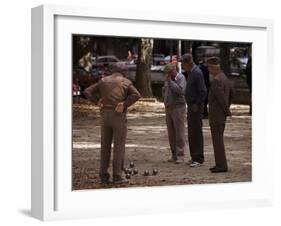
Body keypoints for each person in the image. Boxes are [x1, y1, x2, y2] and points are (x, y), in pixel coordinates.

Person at [83, 62, 141, 184]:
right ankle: (117, 176)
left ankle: (103, 175)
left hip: (104, 114)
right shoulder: (125, 82)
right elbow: (137, 95)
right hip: (118, 115)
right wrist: (124, 104)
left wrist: (96, 101)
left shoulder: (103, 81)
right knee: (118, 146)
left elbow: (87, 91)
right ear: (123, 71)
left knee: (105, 146)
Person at [207, 57, 233, 173]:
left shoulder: (216, 80)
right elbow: (232, 93)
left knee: (217, 141)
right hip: (220, 115)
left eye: (209, 69)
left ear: (213, 68)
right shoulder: (224, 78)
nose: (209, 72)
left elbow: (221, 99)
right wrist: (227, 107)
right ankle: (219, 164)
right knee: (218, 140)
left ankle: (221, 165)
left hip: (217, 115)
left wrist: (226, 111)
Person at [180, 53, 207, 167]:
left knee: (196, 131)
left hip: (196, 107)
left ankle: (198, 158)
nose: (182, 66)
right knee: (191, 132)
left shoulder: (197, 73)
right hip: (191, 106)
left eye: (183, 64)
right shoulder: (191, 72)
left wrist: (196, 104)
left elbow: (203, 91)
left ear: (188, 63)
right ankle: (194, 156)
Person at [162, 63, 187, 164]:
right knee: (171, 132)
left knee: (179, 132)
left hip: (178, 107)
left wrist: (171, 82)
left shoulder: (181, 78)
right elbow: (164, 90)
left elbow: (180, 91)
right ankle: (174, 154)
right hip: (169, 107)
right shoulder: (167, 80)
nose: (167, 75)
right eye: (166, 73)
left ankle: (180, 155)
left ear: (174, 70)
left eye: (169, 72)